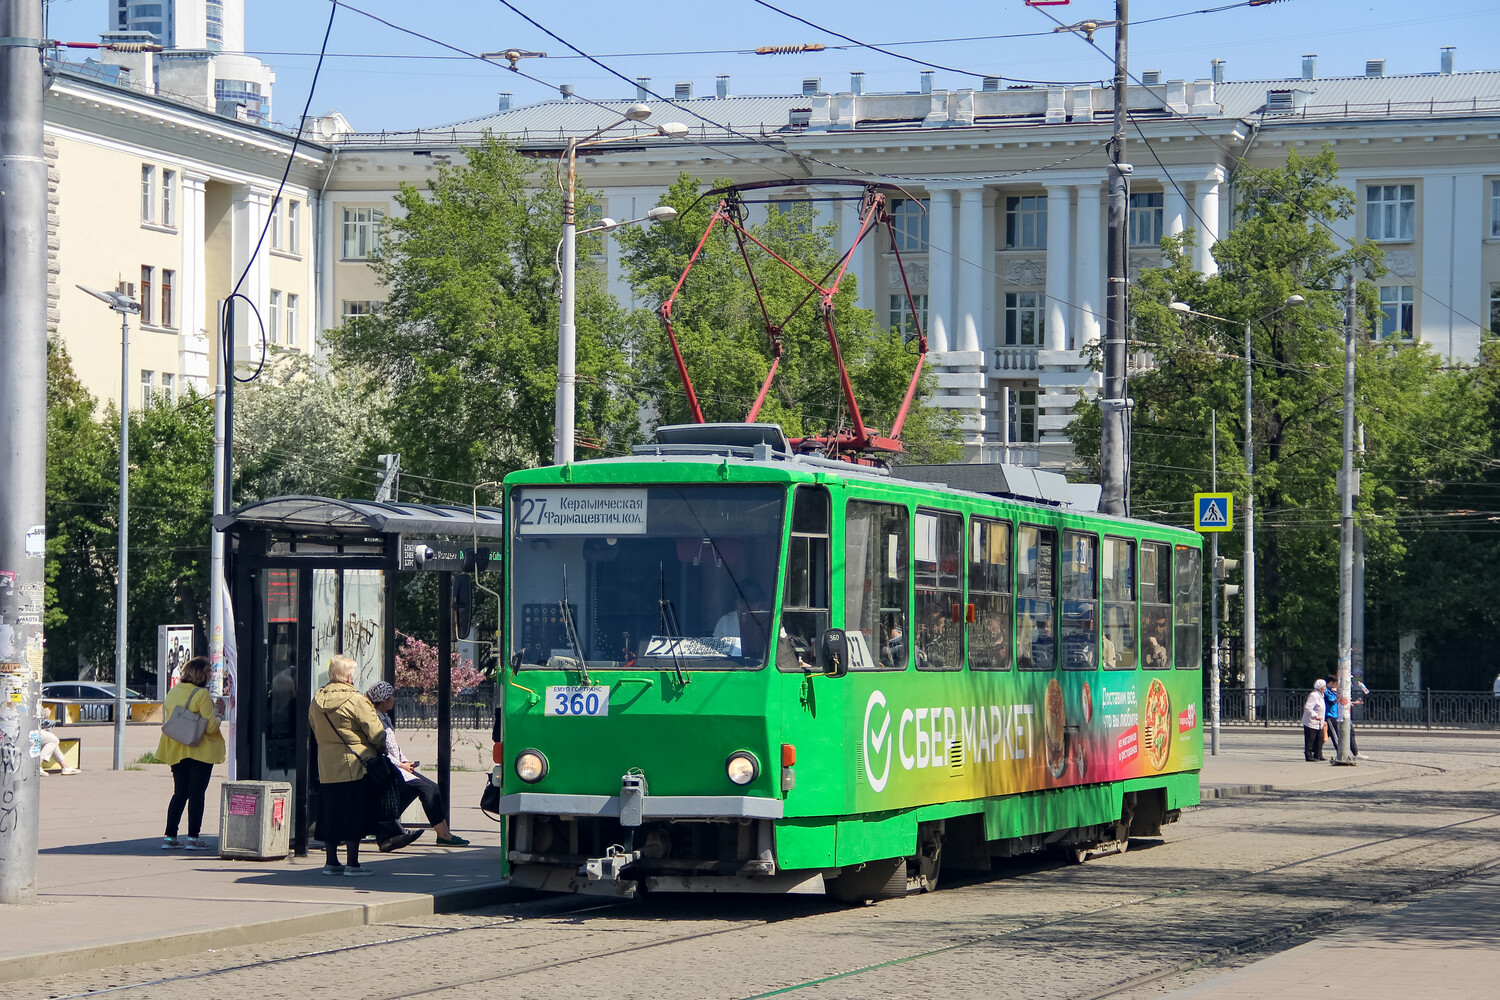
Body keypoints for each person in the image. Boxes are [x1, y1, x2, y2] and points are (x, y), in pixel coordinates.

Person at [364, 682, 470, 849]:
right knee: (429, 789)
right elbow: (379, 750)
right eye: (391, 696)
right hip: (392, 769)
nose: (394, 699)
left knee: (423, 789)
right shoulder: (375, 720)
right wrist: (401, 765)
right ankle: (442, 835)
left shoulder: (384, 717)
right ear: (383, 700)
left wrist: (404, 762)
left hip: (398, 767)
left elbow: (393, 748)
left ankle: (390, 829)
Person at [309, 655, 384, 876]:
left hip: (327, 766)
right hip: (355, 765)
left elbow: (313, 728)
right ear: (348, 675)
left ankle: (331, 862)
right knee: (354, 813)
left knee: (330, 813)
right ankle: (353, 864)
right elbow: (376, 732)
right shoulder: (356, 700)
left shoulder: (316, 700)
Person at [156, 655, 226, 849]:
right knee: (197, 794)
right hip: (200, 751)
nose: (211, 676)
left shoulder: (174, 691)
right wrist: (220, 711)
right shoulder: (201, 695)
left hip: (177, 748)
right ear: (202, 674)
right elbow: (211, 727)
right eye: (209, 672)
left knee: (179, 793)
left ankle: (170, 837)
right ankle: (193, 838)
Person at [1301, 678, 1327, 762]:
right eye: (1324, 686)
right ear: (1320, 687)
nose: (1325, 688)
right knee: (1310, 739)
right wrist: (1315, 715)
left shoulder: (1321, 695)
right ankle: (1308, 756)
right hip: (1311, 721)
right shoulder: (1314, 695)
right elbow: (1308, 707)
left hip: (1319, 722)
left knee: (1319, 738)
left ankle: (1318, 754)